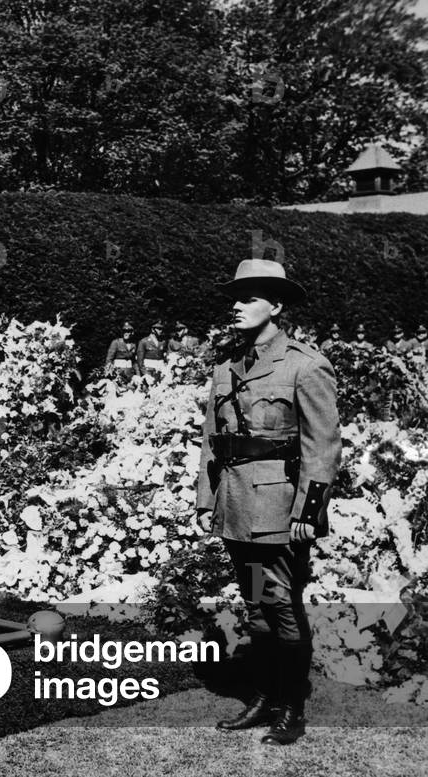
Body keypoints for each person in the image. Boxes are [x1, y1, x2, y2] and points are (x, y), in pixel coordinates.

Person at [195, 259, 341, 745]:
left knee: (280, 604)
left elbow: (322, 446)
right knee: (256, 602)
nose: (236, 306)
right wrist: (207, 499)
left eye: (249, 298)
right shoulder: (227, 366)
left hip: (278, 511)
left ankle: (290, 707)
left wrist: (308, 510)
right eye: (235, 298)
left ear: (276, 306)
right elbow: (212, 440)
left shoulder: (304, 364)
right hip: (237, 507)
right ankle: (263, 696)